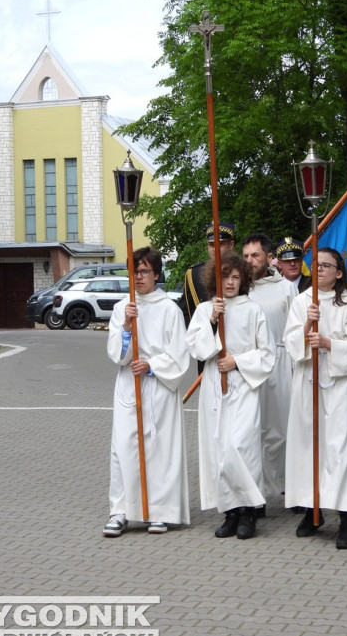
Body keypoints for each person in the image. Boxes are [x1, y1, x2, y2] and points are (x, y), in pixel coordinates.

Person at [186, 253, 276, 540]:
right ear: (216, 279)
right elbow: (196, 349)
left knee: (240, 447)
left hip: (244, 386)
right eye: (225, 276)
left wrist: (237, 361)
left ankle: (250, 509)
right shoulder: (204, 310)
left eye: (236, 277)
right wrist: (213, 320)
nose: (230, 282)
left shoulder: (253, 311)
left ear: (244, 280)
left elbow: (267, 353)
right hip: (215, 387)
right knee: (219, 450)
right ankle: (230, 511)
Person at [104, 247, 190, 537]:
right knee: (125, 449)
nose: (138, 277)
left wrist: (152, 364)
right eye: (134, 271)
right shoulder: (122, 308)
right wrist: (127, 327)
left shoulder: (169, 309)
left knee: (160, 449)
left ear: (156, 274)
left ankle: (160, 512)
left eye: (144, 272)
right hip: (130, 386)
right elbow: (117, 354)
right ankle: (121, 511)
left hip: (159, 388)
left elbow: (180, 356)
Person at [284, 248, 347, 549]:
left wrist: (329, 343)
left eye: (326, 266)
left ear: (340, 273)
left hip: (339, 388)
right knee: (308, 447)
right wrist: (307, 326)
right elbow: (289, 343)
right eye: (315, 265)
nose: (319, 270)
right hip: (308, 385)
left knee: (339, 449)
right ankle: (311, 509)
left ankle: (346, 517)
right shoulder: (301, 302)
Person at [243, 232, 298, 501]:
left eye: (255, 255)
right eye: (245, 256)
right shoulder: (239, 288)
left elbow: (295, 328)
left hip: (279, 363)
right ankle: (258, 492)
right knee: (253, 431)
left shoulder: (285, 287)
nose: (250, 260)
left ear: (268, 257)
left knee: (282, 430)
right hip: (247, 367)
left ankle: (289, 486)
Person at [178, 221, 236, 328]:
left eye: (220, 244)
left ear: (231, 245)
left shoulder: (242, 272)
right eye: (211, 245)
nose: (215, 249)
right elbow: (186, 314)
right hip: (206, 337)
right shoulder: (194, 275)